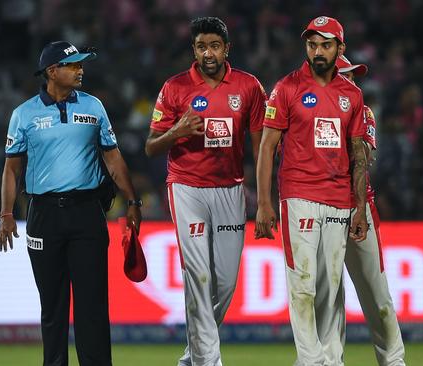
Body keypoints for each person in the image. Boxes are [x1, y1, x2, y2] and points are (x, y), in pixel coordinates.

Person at [0, 41, 142, 366]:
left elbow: (114, 159)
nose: (80, 70)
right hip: (43, 215)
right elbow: (12, 168)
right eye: (73, 65)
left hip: (88, 213)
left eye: (80, 65)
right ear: (52, 71)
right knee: (53, 306)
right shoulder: (24, 115)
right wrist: (6, 213)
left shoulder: (94, 107)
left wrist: (133, 201)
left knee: (92, 305)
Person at [145, 17, 267, 366]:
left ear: (227, 48)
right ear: (193, 50)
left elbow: (261, 146)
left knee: (226, 282)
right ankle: (207, 361)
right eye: (201, 46)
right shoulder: (175, 87)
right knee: (197, 276)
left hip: (230, 190)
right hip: (187, 188)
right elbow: (151, 146)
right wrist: (176, 131)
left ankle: (193, 354)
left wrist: (264, 200)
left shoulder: (248, 87)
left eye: (214, 46)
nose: (208, 53)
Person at [255, 16, 369, 366]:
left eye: (325, 45)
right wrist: (263, 203)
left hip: (338, 200)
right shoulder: (287, 88)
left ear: (340, 48)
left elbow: (358, 154)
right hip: (299, 195)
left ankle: (331, 359)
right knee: (303, 283)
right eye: (312, 45)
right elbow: (266, 147)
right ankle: (310, 360)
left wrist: (360, 207)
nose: (317, 52)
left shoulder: (352, 94)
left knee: (331, 286)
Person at [337, 55, 406, 365]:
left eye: (353, 77)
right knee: (325, 297)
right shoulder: (305, 109)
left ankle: (393, 361)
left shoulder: (363, 112)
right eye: (345, 76)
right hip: (318, 206)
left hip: (359, 207)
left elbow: (363, 156)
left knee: (378, 295)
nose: (352, 83)